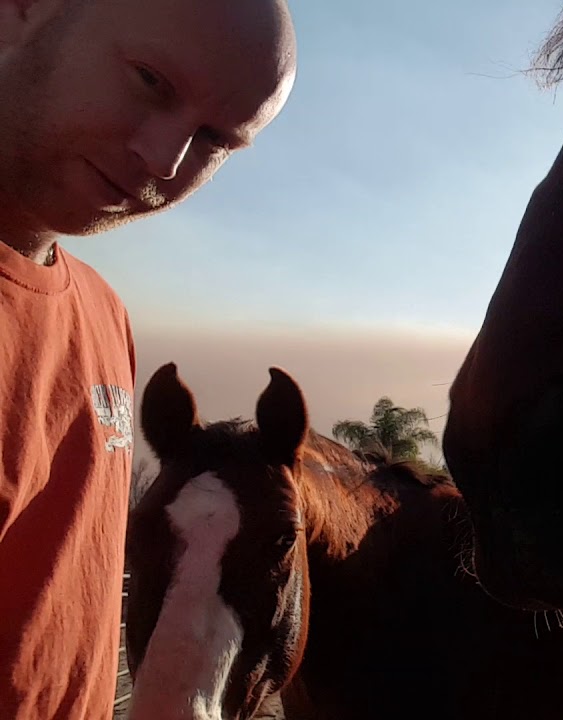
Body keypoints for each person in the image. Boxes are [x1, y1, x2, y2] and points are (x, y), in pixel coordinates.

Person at [0, 0, 296, 716]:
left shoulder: (104, 315)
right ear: (24, 10)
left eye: (214, 140)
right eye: (151, 81)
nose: (165, 162)